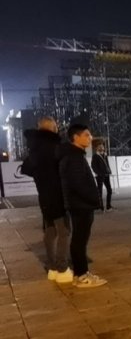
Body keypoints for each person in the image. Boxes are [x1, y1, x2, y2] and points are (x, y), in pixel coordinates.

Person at [22, 117, 72, 283]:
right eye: (56, 126)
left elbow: (27, 168)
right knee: (64, 231)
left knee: (50, 232)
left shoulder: (34, 149)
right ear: (52, 128)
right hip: (58, 195)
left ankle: (52, 268)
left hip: (44, 196)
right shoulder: (55, 147)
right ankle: (62, 269)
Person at [59, 124, 107, 288]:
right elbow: (78, 184)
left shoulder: (76, 155)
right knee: (79, 240)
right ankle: (81, 275)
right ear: (75, 137)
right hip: (80, 205)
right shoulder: (73, 157)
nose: (90, 138)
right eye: (86, 135)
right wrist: (94, 199)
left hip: (81, 204)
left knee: (80, 239)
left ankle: (82, 273)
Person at [91, 143, 113, 211]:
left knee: (109, 190)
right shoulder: (95, 156)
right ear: (97, 148)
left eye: (102, 146)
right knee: (100, 191)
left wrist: (109, 171)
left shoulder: (105, 155)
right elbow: (93, 166)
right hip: (100, 176)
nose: (101, 147)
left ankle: (108, 206)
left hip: (106, 175)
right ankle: (101, 206)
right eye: (100, 146)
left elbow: (107, 164)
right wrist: (99, 173)